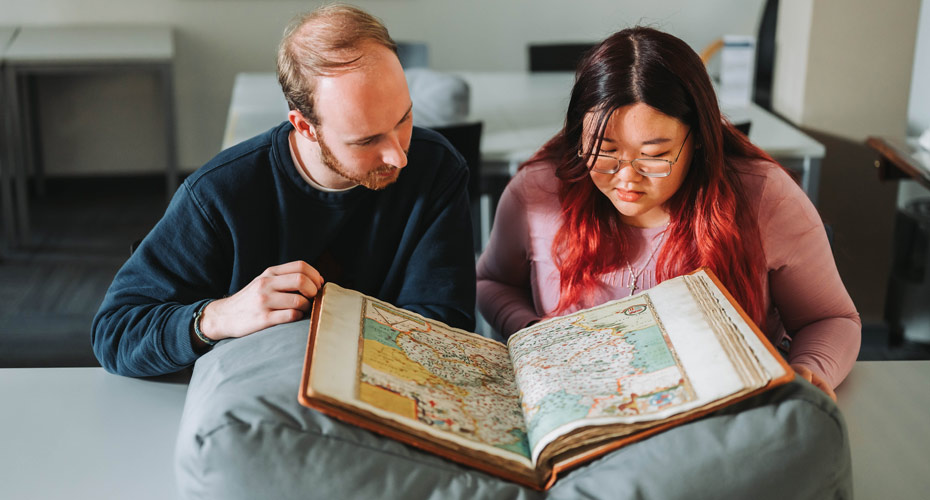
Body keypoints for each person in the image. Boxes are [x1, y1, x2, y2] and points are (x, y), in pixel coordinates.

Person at [92, 5, 476, 377]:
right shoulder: (219, 194)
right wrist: (218, 316)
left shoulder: (437, 168)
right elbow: (116, 333)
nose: (399, 156)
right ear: (304, 126)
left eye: (404, 119)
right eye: (366, 140)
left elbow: (447, 324)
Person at [476, 27, 860, 399]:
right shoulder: (539, 193)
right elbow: (491, 282)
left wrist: (810, 370)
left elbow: (830, 319)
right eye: (604, 150)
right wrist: (533, 332)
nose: (626, 177)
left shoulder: (764, 198)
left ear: (700, 139)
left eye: (655, 156)